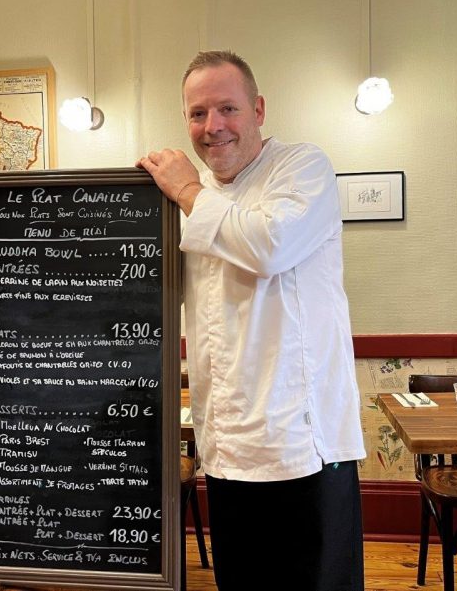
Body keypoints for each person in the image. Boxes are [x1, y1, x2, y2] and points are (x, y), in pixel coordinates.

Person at [137, 50, 365, 591]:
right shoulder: (192, 197)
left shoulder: (301, 167)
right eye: (197, 114)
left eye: (227, 109)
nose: (213, 127)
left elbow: (269, 246)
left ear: (258, 109)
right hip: (225, 445)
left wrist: (186, 190)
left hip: (301, 446)